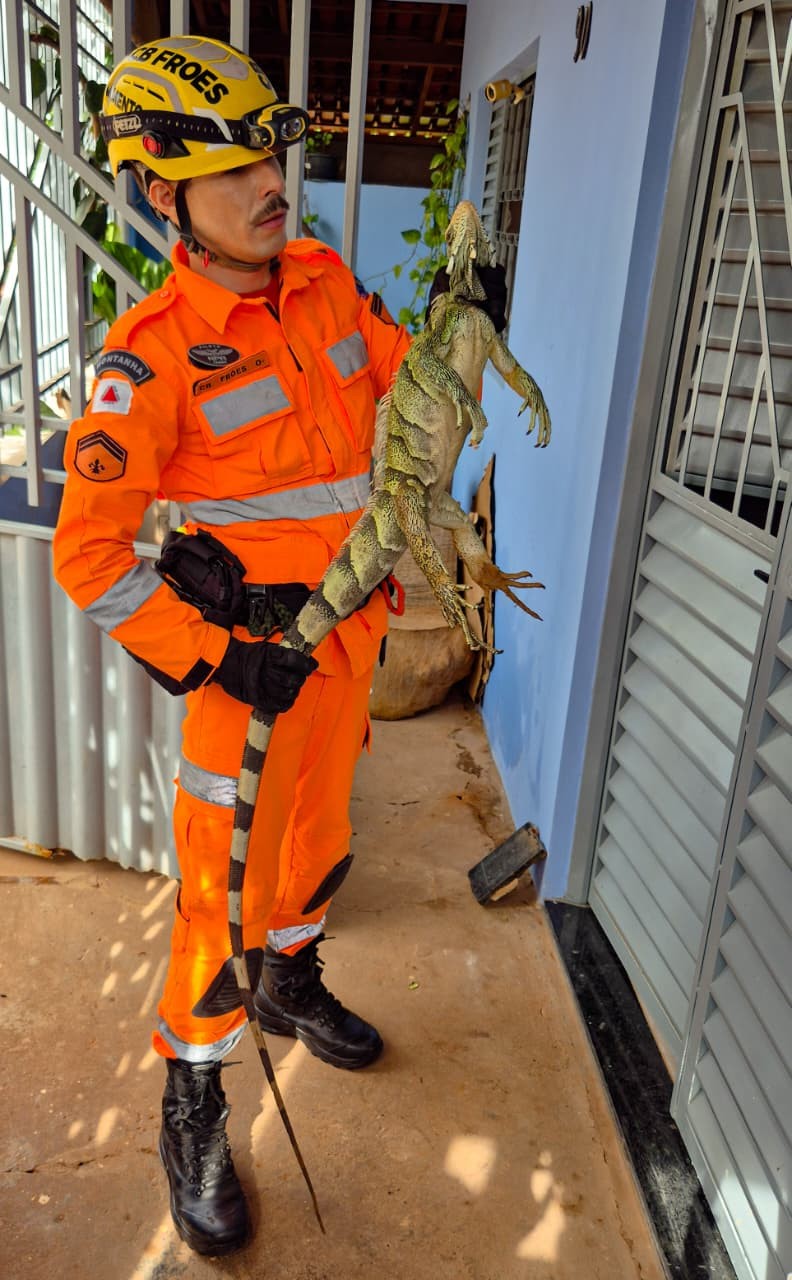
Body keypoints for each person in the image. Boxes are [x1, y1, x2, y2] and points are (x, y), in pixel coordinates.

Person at [53, 34, 506, 1259]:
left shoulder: (321, 278)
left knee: (319, 844)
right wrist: (213, 654)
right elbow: (88, 558)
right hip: (245, 680)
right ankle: (192, 1105)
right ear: (165, 194)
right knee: (216, 904)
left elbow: (391, 392)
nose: (272, 184)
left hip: (345, 650)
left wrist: (457, 345)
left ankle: (295, 979)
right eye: (236, 167)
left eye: (273, 155)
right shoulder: (145, 358)